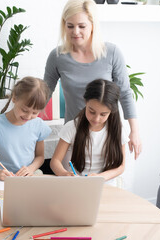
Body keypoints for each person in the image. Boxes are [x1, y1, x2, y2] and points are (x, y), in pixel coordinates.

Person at [44, 0, 142, 160]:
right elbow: (44, 93)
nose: (75, 31)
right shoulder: (57, 56)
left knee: (104, 182)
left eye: (82, 26)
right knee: (71, 182)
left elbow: (125, 93)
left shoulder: (112, 53)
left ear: (93, 25)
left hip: (106, 137)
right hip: (73, 136)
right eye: (70, 26)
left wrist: (134, 132)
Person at [50, 79, 127, 184]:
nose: (96, 119)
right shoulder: (72, 127)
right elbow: (55, 161)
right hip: (76, 184)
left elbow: (121, 167)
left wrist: (100, 177)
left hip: (104, 184)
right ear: (86, 102)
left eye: (103, 114)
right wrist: (65, 174)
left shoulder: (118, 130)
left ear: (111, 111)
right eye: (92, 111)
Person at [0, 77, 52, 181]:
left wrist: (30, 169)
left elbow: (40, 156)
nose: (28, 116)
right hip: (0, 178)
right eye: (24, 110)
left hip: (27, 178)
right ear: (14, 98)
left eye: (34, 113)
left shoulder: (38, 125)